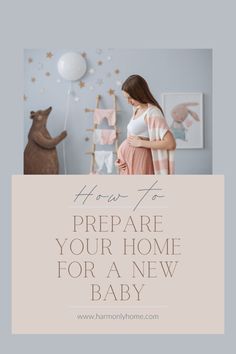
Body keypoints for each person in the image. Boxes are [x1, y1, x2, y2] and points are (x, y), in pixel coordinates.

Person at [116, 75, 176, 175]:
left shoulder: (152, 112)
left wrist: (141, 143)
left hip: (141, 161)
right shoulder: (137, 109)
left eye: (130, 98)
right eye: (126, 98)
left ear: (138, 93)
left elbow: (170, 143)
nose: (128, 102)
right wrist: (120, 159)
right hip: (128, 164)